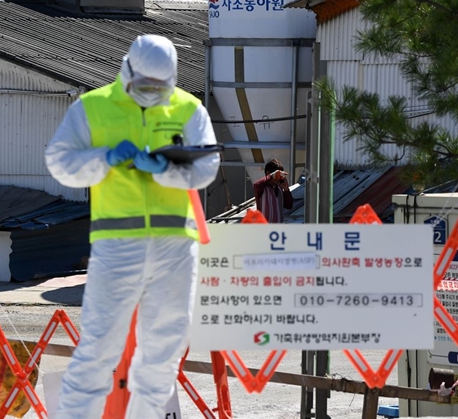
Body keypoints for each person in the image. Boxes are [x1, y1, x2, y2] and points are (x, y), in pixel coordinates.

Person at [44, 34, 220, 419]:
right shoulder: (92, 108)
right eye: (144, 86)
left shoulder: (188, 109)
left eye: (160, 87)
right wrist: (103, 158)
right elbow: (60, 162)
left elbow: (207, 168)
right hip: (118, 243)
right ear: (127, 70)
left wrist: (168, 170)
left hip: (175, 244)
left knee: (163, 352)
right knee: (98, 347)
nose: (151, 94)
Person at [253, 158, 294, 223]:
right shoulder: (262, 188)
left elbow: (289, 205)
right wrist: (272, 176)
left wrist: (286, 190)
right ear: (268, 173)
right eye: (277, 176)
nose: (279, 178)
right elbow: (256, 185)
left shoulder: (279, 188)